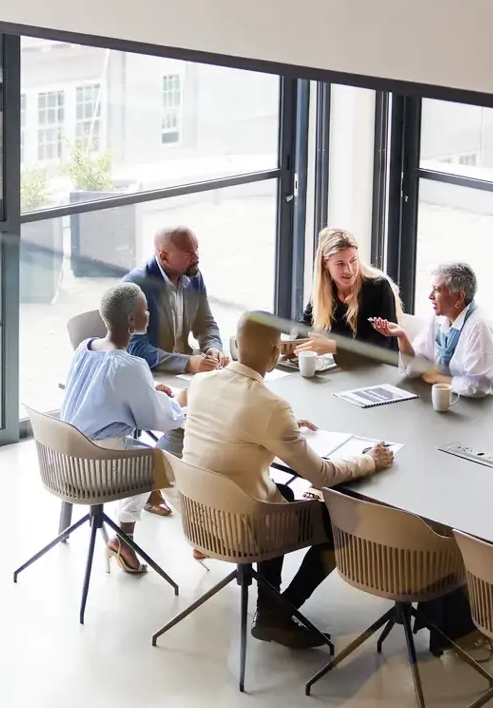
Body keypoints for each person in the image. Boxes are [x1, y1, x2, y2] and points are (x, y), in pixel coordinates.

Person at [181, 313, 393, 648]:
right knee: (341, 519)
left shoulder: (201, 383)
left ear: (236, 345)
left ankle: (270, 608)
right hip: (241, 527)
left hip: (198, 518)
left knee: (277, 490)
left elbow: (233, 435)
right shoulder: (269, 406)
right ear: (276, 354)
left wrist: (286, 432)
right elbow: (321, 474)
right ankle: (280, 610)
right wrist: (369, 460)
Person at [59, 283, 187, 573]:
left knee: (145, 454)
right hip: (96, 465)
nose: (150, 313)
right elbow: (157, 420)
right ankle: (128, 539)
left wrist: (149, 388)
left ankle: (124, 539)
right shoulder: (131, 365)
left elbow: (104, 386)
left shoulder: (86, 347)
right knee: (158, 461)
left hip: (65, 458)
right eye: (145, 309)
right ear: (131, 320)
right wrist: (178, 403)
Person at [369, 261, 493, 397]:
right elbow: (419, 364)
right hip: (459, 398)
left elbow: (477, 386)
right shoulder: (439, 318)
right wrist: (401, 337)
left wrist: (438, 378)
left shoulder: (480, 327)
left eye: (437, 290)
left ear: (459, 297)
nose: (430, 296)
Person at [122, 226, 226, 374]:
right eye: (188, 253)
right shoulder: (135, 286)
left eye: (196, 249)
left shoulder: (194, 276)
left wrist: (212, 347)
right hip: (151, 375)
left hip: (186, 372)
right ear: (164, 257)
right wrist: (187, 363)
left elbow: (205, 323)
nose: (196, 257)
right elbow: (136, 349)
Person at [294, 227, 401, 359]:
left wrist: (333, 347)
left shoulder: (378, 287)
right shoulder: (325, 289)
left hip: (379, 370)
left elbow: (381, 346)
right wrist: (293, 342)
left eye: (353, 260)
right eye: (340, 264)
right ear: (325, 264)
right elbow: (306, 322)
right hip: (344, 368)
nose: (349, 270)